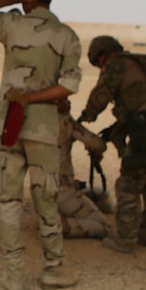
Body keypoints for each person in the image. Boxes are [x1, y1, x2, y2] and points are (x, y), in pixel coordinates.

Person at [0, 0, 83, 290]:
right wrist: (36, 98)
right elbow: (69, 86)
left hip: (8, 126)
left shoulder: (11, 24)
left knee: (9, 200)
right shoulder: (66, 35)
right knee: (47, 199)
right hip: (43, 130)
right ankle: (53, 270)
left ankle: (14, 276)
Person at [79, 35, 146, 253]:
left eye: (99, 63)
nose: (101, 68)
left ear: (104, 55)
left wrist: (85, 117)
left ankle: (125, 240)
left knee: (128, 185)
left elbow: (100, 96)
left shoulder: (116, 65)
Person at [55, 98, 109, 238]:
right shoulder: (66, 121)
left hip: (40, 188)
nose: (69, 102)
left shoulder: (30, 122)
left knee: (98, 194)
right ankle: (57, 227)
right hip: (63, 191)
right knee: (102, 225)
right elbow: (98, 144)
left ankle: (51, 218)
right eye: (64, 98)